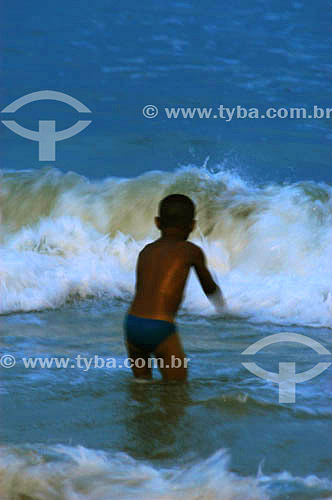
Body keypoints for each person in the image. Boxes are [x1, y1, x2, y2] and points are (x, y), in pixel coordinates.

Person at [124, 194, 226, 382]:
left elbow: (142, 289)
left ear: (157, 222)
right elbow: (208, 287)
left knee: (141, 387)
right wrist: (224, 309)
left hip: (132, 324)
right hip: (160, 327)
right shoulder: (191, 251)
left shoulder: (146, 251)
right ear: (192, 225)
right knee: (176, 392)